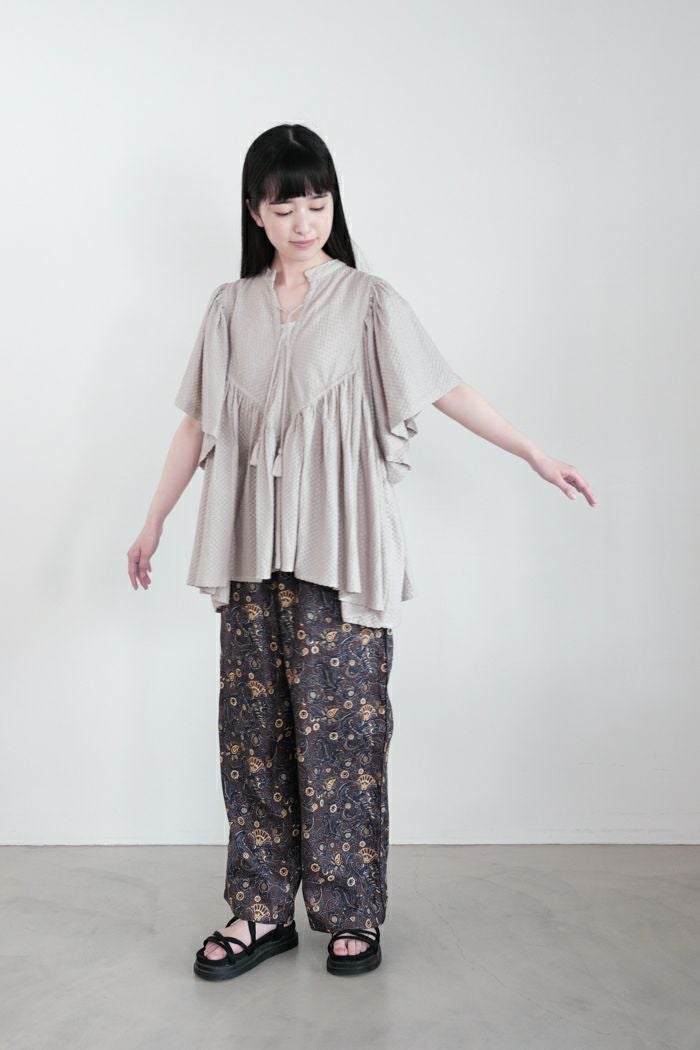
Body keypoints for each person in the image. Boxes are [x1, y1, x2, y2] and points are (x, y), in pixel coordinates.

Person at [127, 124, 597, 981]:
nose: (304, 221)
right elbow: (195, 424)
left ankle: (351, 912)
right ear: (256, 212)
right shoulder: (228, 308)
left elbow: (444, 386)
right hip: (248, 553)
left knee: (343, 732)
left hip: (339, 553)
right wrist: (154, 519)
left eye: (318, 203)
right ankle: (260, 909)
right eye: (285, 207)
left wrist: (532, 450)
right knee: (252, 734)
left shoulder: (370, 302)